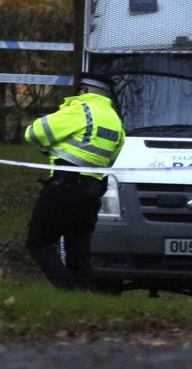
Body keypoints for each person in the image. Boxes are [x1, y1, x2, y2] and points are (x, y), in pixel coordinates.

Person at [24, 73, 126, 292]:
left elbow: (34, 133)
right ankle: (81, 294)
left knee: (38, 242)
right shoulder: (115, 121)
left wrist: (47, 149)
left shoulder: (81, 110)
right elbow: (111, 158)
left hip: (64, 188)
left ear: (85, 91)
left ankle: (66, 287)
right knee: (78, 251)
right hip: (91, 193)